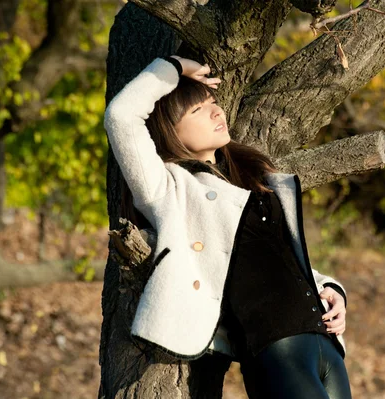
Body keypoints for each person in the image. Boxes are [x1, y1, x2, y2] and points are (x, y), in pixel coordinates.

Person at [104, 54, 352, 399]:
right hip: (275, 347)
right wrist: (174, 66)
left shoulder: (249, 180)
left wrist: (332, 290)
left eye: (214, 103)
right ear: (168, 130)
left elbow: (279, 260)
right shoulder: (168, 187)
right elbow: (121, 116)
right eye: (198, 110)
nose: (217, 112)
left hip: (325, 342)